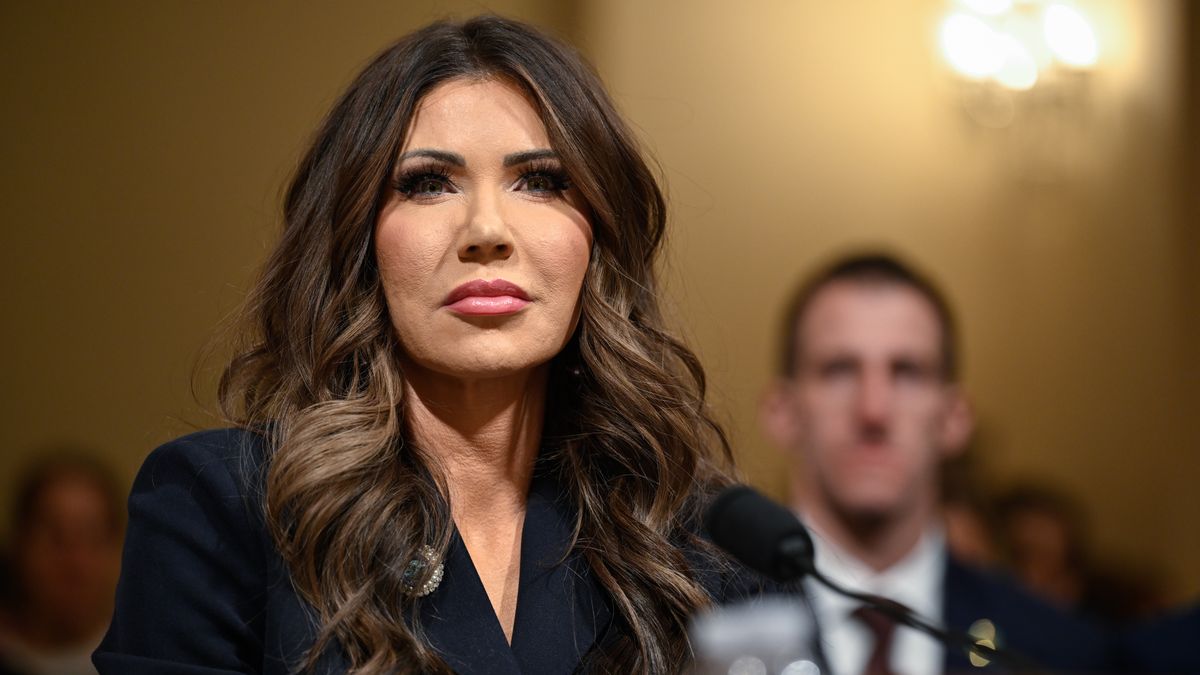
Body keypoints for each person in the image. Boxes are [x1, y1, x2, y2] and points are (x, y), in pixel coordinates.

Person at [95, 15, 779, 675]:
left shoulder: (693, 541)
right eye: (427, 183)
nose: (487, 228)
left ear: (597, 237)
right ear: (359, 239)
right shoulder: (221, 507)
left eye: (539, 180)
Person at [759, 253, 1109, 674]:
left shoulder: (1054, 650)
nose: (874, 410)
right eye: (839, 370)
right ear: (782, 412)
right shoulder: (692, 624)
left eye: (907, 372)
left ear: (954, 419)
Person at [0, 454, 123, 675]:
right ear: (20, 546)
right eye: (56, 539)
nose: (76, 563)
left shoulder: (143, 659)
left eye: (93, 538)